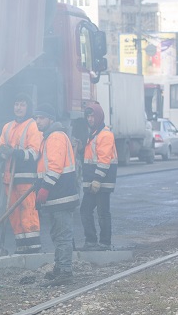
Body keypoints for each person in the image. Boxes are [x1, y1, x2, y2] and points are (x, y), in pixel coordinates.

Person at [32, 104, 79, 286]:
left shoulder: (55, 137)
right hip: (56, 196)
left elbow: (55, 167)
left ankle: (65, 271)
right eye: (36, 118)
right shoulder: (49, 137)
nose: (38, 121)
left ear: (50, 119)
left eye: (41, 118)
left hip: (61, 196)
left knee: (62, 236)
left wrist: (44, 188)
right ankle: (60, 267)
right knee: (58, 235)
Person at [0, 94, 43, 254]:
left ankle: (33, 248)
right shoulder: (7, 127)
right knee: (14, 215)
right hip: (9, 178)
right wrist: (2, 153)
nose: (19, 108)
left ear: (27, 107)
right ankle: (22, 247)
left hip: (26, 178)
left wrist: (14, 152)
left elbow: (34, 153)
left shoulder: (33, 126)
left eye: (22, 105)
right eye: (16, 104)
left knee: (28, 212)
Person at [79, 102, 117, 251]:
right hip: (93, 181)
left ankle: (104, 243)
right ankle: (92, 241)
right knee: (86, 211)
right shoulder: (94, 134)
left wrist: (97, 180)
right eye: (88, 116)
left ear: (99, 116)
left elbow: (104, 160)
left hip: (101, 182)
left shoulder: (105, 134)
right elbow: (91, 158)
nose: (90, 119)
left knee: (102, 213)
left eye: (92, 116)